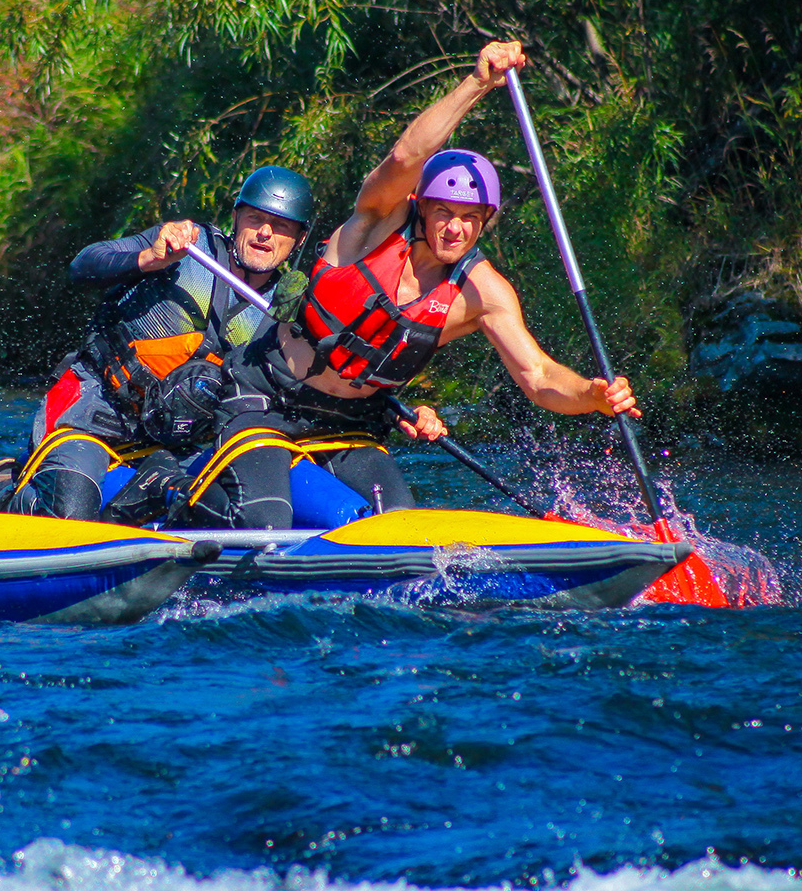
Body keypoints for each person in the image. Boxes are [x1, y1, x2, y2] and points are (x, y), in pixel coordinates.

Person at [174, 41, 639, 529]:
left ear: (486, 222)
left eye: (469, 218)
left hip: (348, 426)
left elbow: (540, 378)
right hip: (265, 400)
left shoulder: (484, 294)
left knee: (398, 524)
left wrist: (591, 394)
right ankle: (187, 502)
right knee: (266, 523)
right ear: (421, 207)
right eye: (444, 212)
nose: (455, 229)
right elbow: (405, 156)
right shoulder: (374, 225)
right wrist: (478, 83)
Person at [0, 166, 314, 522]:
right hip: (93, 408)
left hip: (175, 441)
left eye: (280, 226)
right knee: (70, 514)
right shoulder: (188, 245)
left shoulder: (282, 313)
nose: (265, 232)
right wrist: (149, 259)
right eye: (255, 218)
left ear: (298, 239)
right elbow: (83, 265)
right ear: (236, 219)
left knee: (219, 504)